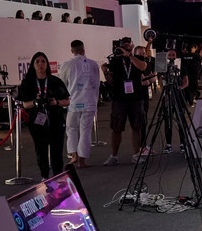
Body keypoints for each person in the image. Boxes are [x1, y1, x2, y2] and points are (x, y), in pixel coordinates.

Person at [17, 52, 70, 179]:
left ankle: (57, 176)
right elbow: (24, 104)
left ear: (47, 64)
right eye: (37, 62)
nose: (40, 64)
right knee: (41, 150)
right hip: (37, 121)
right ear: (33, 65)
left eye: (43, 61)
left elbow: (67, 101)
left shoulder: (55, 81)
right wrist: (35, 102)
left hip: (56, 120)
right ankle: (44, 176)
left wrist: (56, 102)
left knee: (57, 150)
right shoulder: (28, 83)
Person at [103, 37, 148, 165]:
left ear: (132, 45)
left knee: (137, 127)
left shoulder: (138, 58)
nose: (126, 45)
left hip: (136, 98)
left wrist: (130, 56)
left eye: (128, 43)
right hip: (119, 98)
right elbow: (110, 81)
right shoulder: (115, 60)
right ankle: (114, 156)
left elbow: (142, 67)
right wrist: (105, 73)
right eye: (124, 44)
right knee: (116, 127)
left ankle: (136, 154)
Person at [58, 39, 100, 168]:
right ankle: (82, 160)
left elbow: (62, 83)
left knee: (71, 129)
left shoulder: (67, 64)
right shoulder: (93, 64)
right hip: (90, 102)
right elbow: (97, 83)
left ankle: (74, 155)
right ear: (83, 50)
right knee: (85, 131)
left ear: (72, 50)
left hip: (73, 102)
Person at [160, 49, 189, 153]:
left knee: (181, 120)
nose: (171, 57)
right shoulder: (164, 67)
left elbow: (186, 82)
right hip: (168, 97)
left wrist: (179, 88)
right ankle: (168, 145)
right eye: (169, 55)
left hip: (179, 97)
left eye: (173, 54)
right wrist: (165, 89)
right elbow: (161, 81)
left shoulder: (182, 67)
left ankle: (183, 144)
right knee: (167, 121)